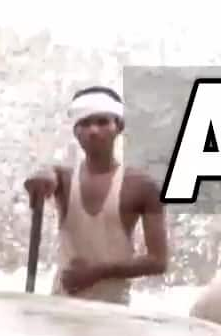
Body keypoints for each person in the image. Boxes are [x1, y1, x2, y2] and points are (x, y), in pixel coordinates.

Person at [22, 86, 169, 304]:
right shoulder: (62, 179)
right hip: (61, 307)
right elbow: (47, 173)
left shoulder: (142, 185)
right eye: (85, 123)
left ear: (118, 127)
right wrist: (41, 176)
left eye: (102, 122)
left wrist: (96, 272)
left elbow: (158, 261)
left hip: (113, 311)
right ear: (76, 131)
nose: (93, 131)